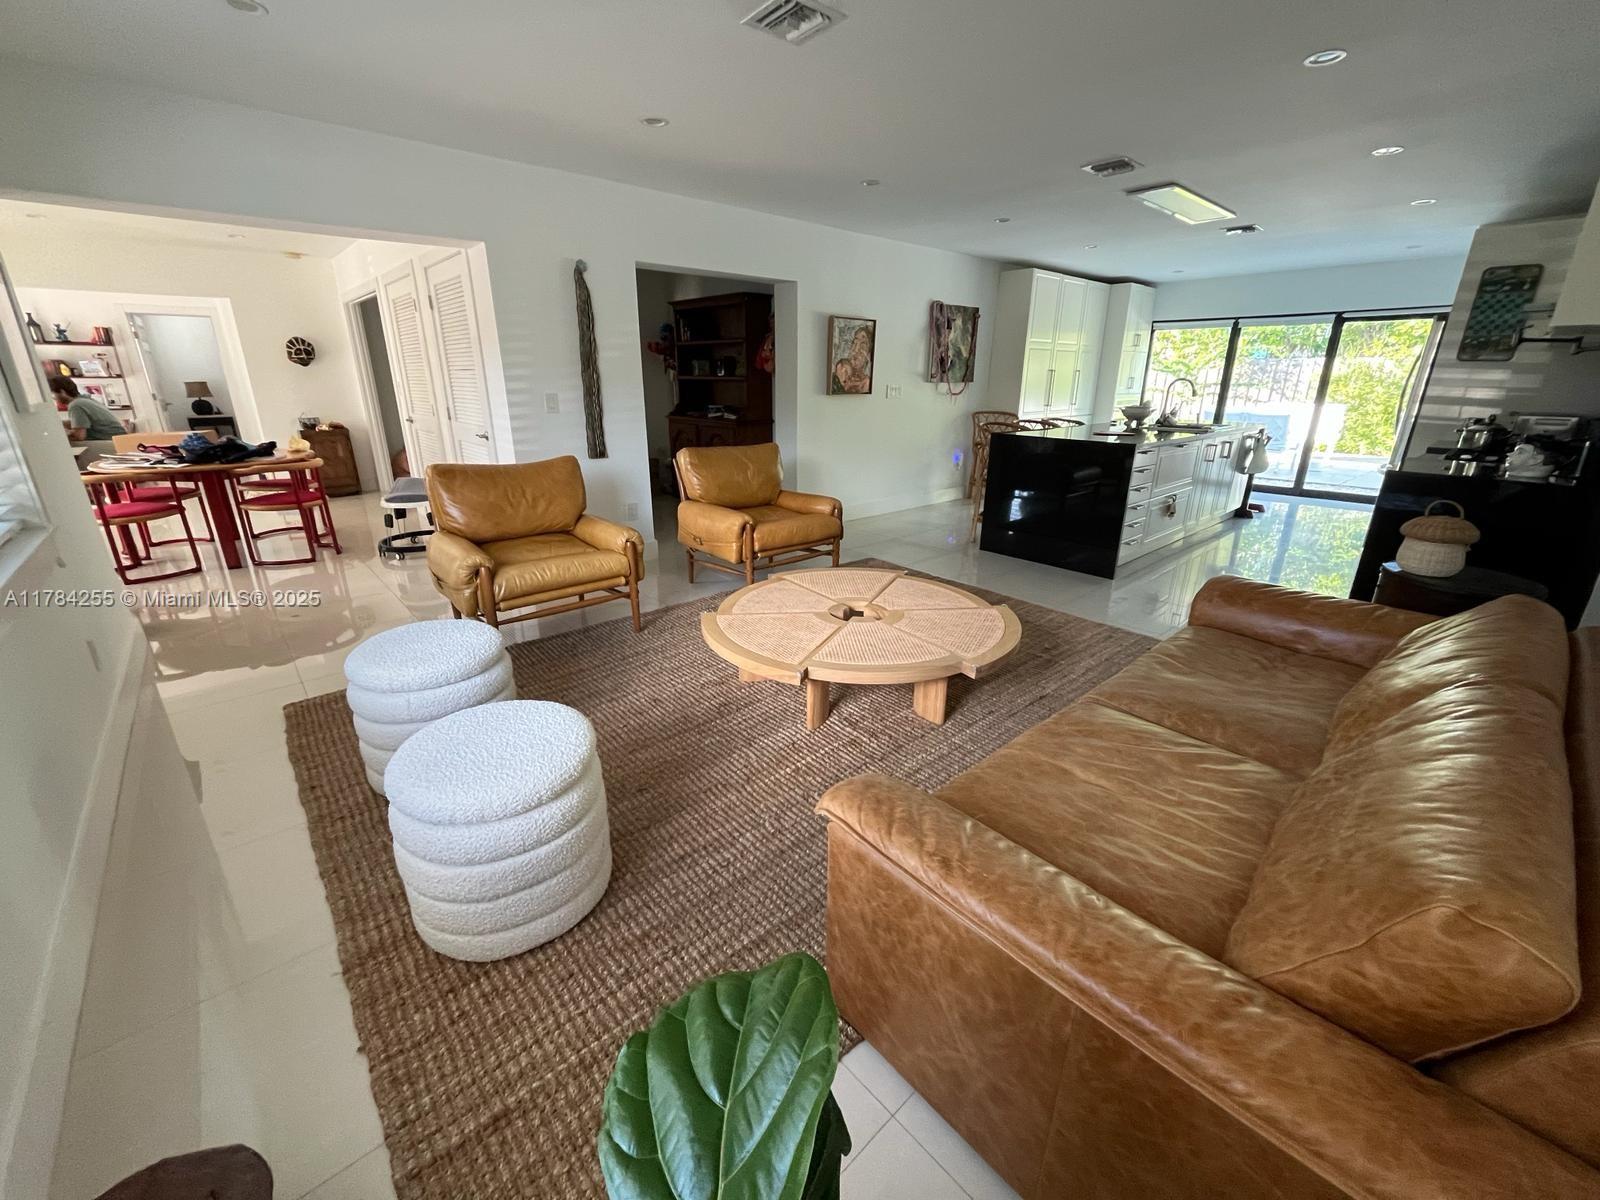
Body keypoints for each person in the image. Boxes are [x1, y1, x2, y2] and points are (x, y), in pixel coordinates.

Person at [50, 376, 125, 466]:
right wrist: (58, 424)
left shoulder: (75, 405)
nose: (53, 398)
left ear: (62, 392)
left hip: (110, 445)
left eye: (53, 394)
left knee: (65, 448)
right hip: (120, 442)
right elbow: (82, 423)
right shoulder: (86, 400)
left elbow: (79, 436)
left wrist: (64, 433)